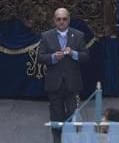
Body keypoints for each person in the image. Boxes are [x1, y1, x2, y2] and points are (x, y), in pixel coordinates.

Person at [38, 8, 89, 143]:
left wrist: (73, 53)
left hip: (72, 84)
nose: (62, 22)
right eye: (59, 19)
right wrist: (53, 57)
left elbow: (85, 57)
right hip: (54, 84)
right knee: (56, 118)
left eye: (64, 19)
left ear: (69, 20)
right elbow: (40, 57)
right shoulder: (46, 36)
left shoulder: (78, 35)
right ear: (54, 20)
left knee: (73, 117)